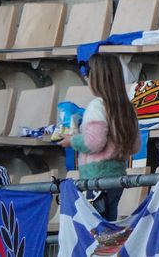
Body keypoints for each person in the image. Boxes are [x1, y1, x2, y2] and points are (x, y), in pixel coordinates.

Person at [62, 55, 141, 219]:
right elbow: (135, 146)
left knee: (98, 234)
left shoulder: (97, 106)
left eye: (88, 73)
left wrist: (72, 140)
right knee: (109, 228)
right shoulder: (127, 107)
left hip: (96, 181)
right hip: (117, 179)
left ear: (96, 78)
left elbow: (94, 143)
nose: (85, 77)